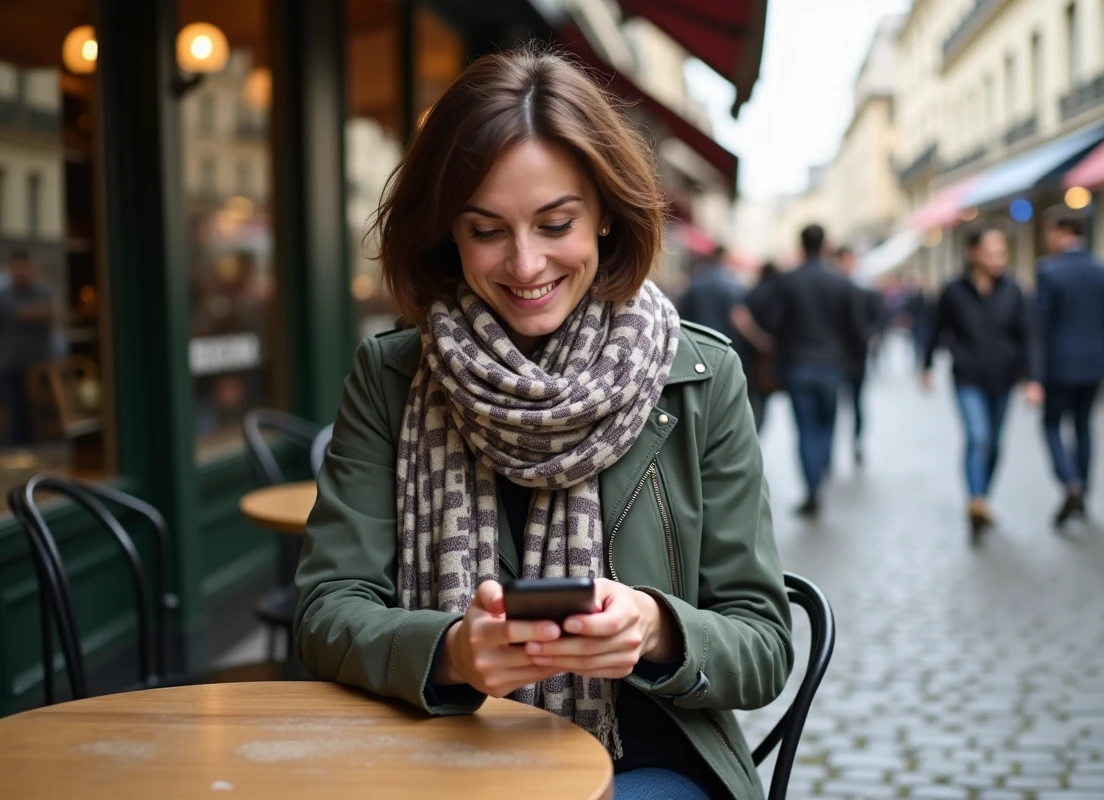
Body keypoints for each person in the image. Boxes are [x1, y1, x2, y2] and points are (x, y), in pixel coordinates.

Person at [293, 50, 793, 800]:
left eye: (555, 223)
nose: (525, 265)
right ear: (448, 236)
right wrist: (453, 654)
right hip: (433, 758)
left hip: (647, 762)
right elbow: (326, 611)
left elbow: (762, 641)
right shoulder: (392, 375)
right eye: (487, 230)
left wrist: (654, 628)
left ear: (604, 219)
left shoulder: (700, 376)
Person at [922, 227, 1031, 536]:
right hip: (967, 377)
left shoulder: (1013, 289)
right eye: (992, 252)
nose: (999, 259)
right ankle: (976, 500)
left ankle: (982, 498)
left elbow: (1027, 335)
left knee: (995, 444)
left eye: (1002, 253)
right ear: (973, 253)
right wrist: (926, 365)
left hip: (1003, 378)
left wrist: (1031, 378)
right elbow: (935, 328)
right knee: (978, 437)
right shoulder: (953, 289)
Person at [1025, 206, 1104, 527]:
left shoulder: (1049, 272)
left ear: (1061, 232)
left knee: (1052, 424)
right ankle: (1084, 491)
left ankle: (1070, 482)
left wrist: (1035, 375)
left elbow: (1040, 326)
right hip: (1094, 364)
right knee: (1083, 427)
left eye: (1048, 232)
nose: (1046, 239)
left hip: (1059, 367)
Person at [758, 225, 868, 515]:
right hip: (833, 366)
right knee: (827, 424)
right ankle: (822, 468)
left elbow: (771, 321)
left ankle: (812, 487)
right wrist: (857, 360)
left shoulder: (788, 281)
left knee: (805, 429)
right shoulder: (841, 281)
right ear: (826, 245)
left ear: (801, 244)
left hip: (797, 365)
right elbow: (855, 328)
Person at [834, 246, 883, 465]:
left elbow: (877, 319)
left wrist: (870, 336)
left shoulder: (863, 290)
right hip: (834, 360)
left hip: (856, 359)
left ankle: (856, 442)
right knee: (834, 405)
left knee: (856, 403)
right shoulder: (831, 288)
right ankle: (831, 448)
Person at [0, 251, 55, 446]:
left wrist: (28, 313)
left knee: (40, 413)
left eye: (24, 267)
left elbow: (47, 313)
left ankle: (41, 453)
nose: (21, 272)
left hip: (39, 365)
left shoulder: (43, 291)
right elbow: (18, 313)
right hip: (10, 365)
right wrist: (32, 312)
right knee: (16, 414)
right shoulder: (4, 295)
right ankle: (19, 456)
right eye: (17, 267)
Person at [730, 261, 781, 432]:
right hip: (768, 357)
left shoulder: (751, 293)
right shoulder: (776, 296)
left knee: (752, 397)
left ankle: (752, 431)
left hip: (748, 355)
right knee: (761, 400)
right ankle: (755, 431)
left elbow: (738, 316)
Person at [675, 245, 742, 342]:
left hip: (695, 339)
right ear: (725, 258)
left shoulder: (697, 279)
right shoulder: (730, 283)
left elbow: (682, 309)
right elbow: (737, 316)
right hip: (722, 340)